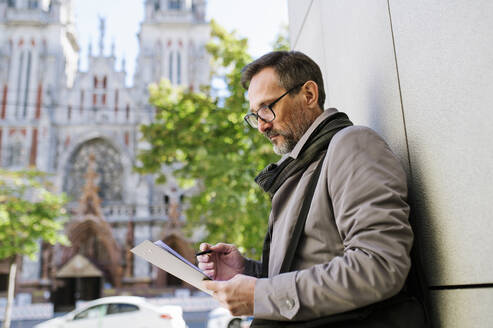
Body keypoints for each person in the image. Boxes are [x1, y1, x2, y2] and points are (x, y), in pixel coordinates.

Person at [198, 51, 425, 326]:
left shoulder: (352, 145)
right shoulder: (298, 168)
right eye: (254, 115)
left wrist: (260, 294)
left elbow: (379, 265)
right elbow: (309, 267)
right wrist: (247, 271)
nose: (261, 125)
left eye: (267, 107)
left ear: (308, 94)